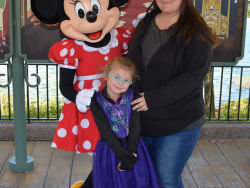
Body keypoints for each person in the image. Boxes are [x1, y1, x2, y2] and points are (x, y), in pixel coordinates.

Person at [126, 0, 219, 188]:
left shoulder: (197, 32)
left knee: (166, 180)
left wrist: (153, 98)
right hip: (142, 120)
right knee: (145, 178)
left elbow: (192, 77)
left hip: (179, 122)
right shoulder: (146, 21)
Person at [71, 57, 164, 188]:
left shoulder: (133, 96)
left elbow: (134, 126)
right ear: (105, 75)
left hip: (134, 147)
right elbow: (106, 132)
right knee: (109, 180)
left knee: (135, 181)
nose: (120, 83)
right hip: (109, 148)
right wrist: (124, 156)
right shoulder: (96, 101)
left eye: (126, 80)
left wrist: (131, 155)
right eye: (116, 77)